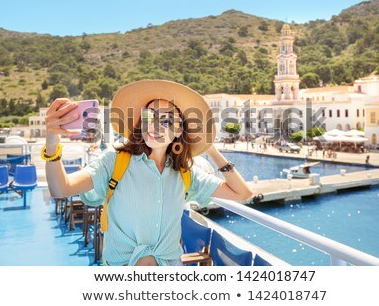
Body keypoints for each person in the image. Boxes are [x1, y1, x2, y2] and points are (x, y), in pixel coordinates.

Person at [43, 79, 253, 266]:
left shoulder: (185, 172)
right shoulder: (115, 161)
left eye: (165, 121)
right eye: (148, 116)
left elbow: (242, 194)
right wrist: (52, 144)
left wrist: (211, 150)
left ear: (180, 130)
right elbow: (61, 188)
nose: (153, 126)